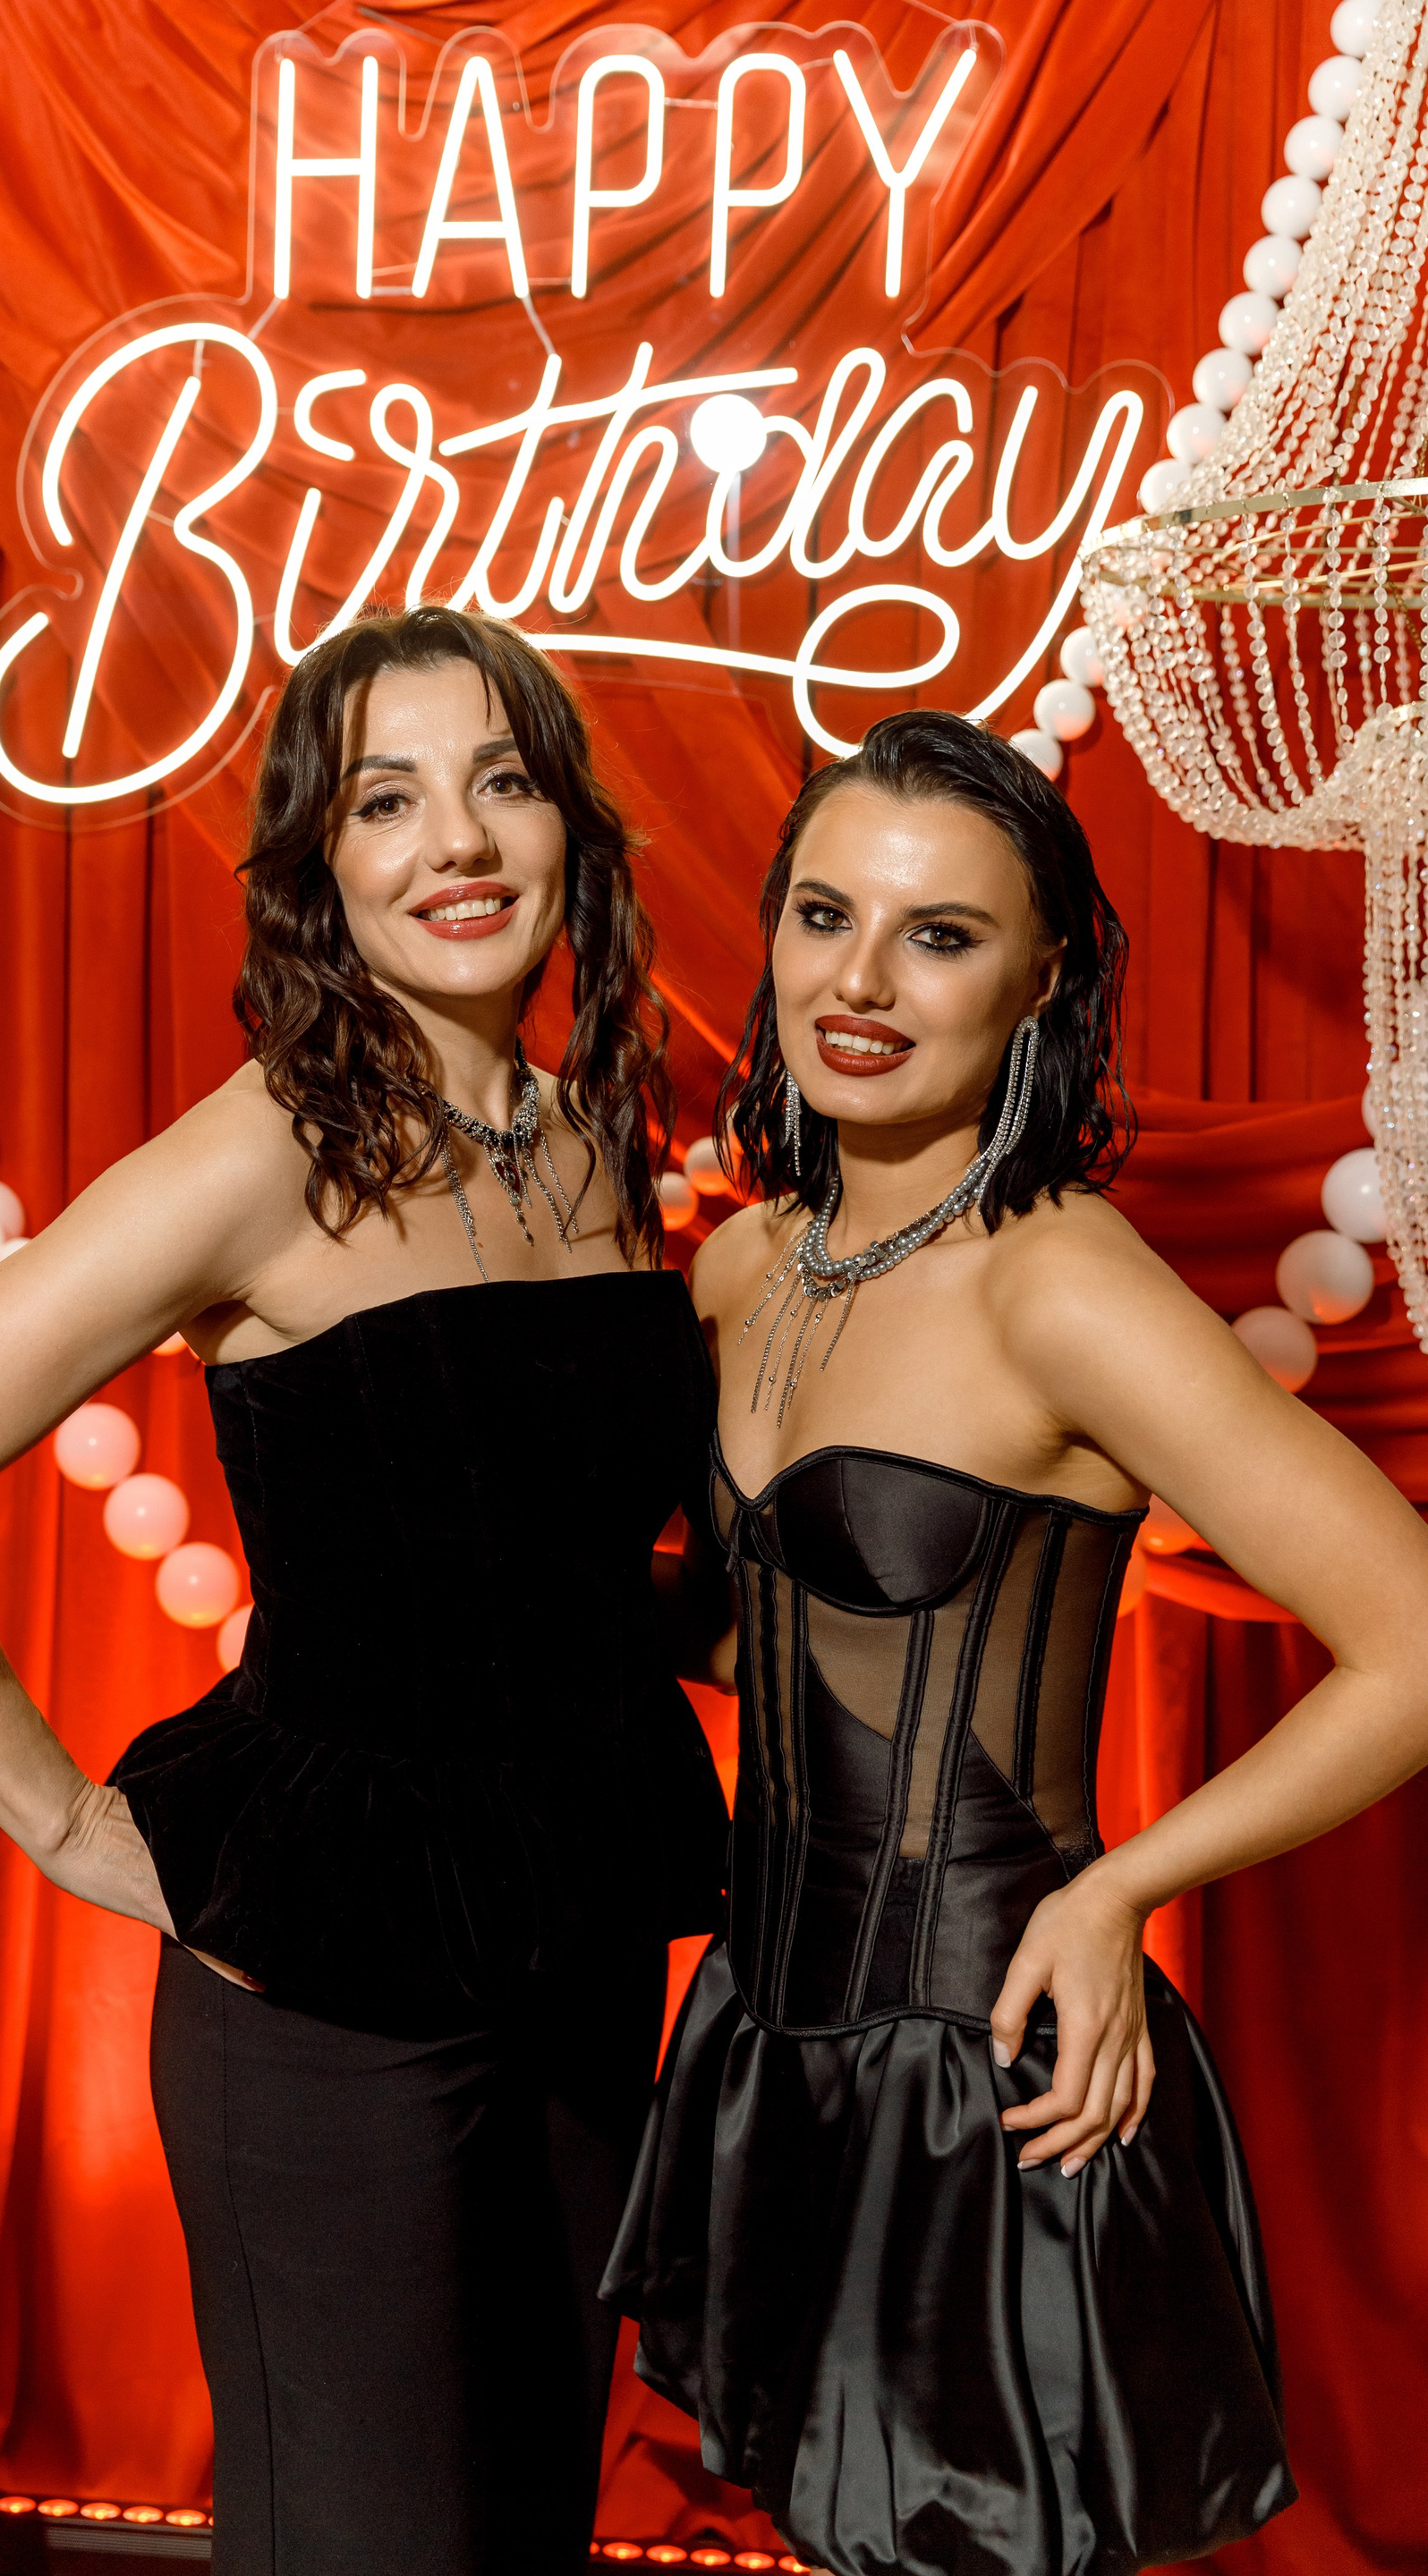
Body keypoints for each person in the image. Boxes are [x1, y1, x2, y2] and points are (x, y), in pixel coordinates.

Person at [0, 605, 730, 2576]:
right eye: (387, 801)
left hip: (579, 1946)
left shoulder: (585, 1141)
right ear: (317, 864)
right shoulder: (266, 1152)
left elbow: (534, 1558)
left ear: (567, 825)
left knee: (528, 2534)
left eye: (501, 782)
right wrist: (63, 1822)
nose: (456, 842)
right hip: (331, 2003)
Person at [604, 709, 1428, 2576]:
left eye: (942, 935)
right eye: (827, 915)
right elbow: (773, 1640)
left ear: (1042, 978)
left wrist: (1122, 1888)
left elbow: (1410, 1638)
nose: (861, 983)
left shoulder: (1063, 1285)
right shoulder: (748, 1264)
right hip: (768, 2039)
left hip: (991, 2065)